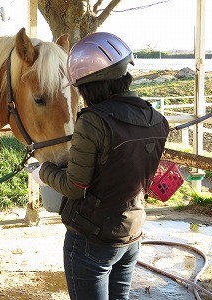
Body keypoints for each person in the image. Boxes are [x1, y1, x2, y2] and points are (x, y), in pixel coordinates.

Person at [32, 32, 170, 300]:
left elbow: (75, 187)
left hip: (91, 239)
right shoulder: (158, 120)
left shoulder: (93, 121)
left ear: (88, 86)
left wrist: (44, 172)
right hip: (131, 233)